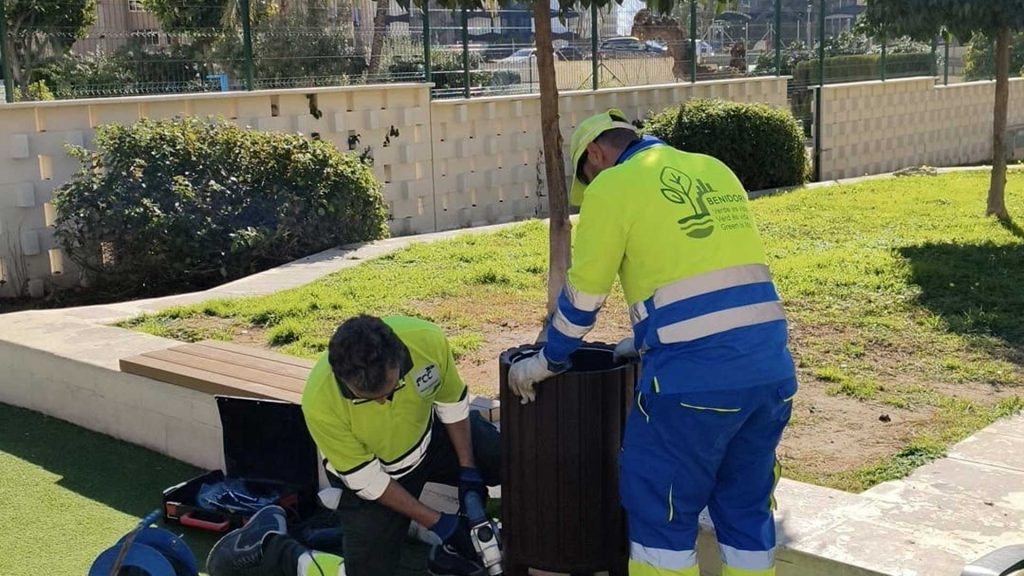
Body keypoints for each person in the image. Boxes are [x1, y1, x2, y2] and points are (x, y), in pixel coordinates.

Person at [507, 109, 797, 576]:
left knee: (661, 514)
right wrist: (645, 339)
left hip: (691, 386)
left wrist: (547, 360)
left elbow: (584, 297)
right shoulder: (713, 169)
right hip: (771, 375)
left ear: (596, 155)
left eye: (589, 174)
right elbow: (706, 273)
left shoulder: (613, 186)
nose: (592, 184)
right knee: (745, 510)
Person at [301, 314, 499, 576]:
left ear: (399, 357)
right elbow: (368, 479)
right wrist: (439, 524)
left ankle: (472, 530)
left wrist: (468, 470)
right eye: (367, 399)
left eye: (390, 391)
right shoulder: (319, 401)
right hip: (377, 477)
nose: (383, 404)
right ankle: (278, 550)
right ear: (340, 376)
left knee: (507, 455)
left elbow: (451, 404)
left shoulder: (426, 341)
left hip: (431, 440)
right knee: (368, 570)